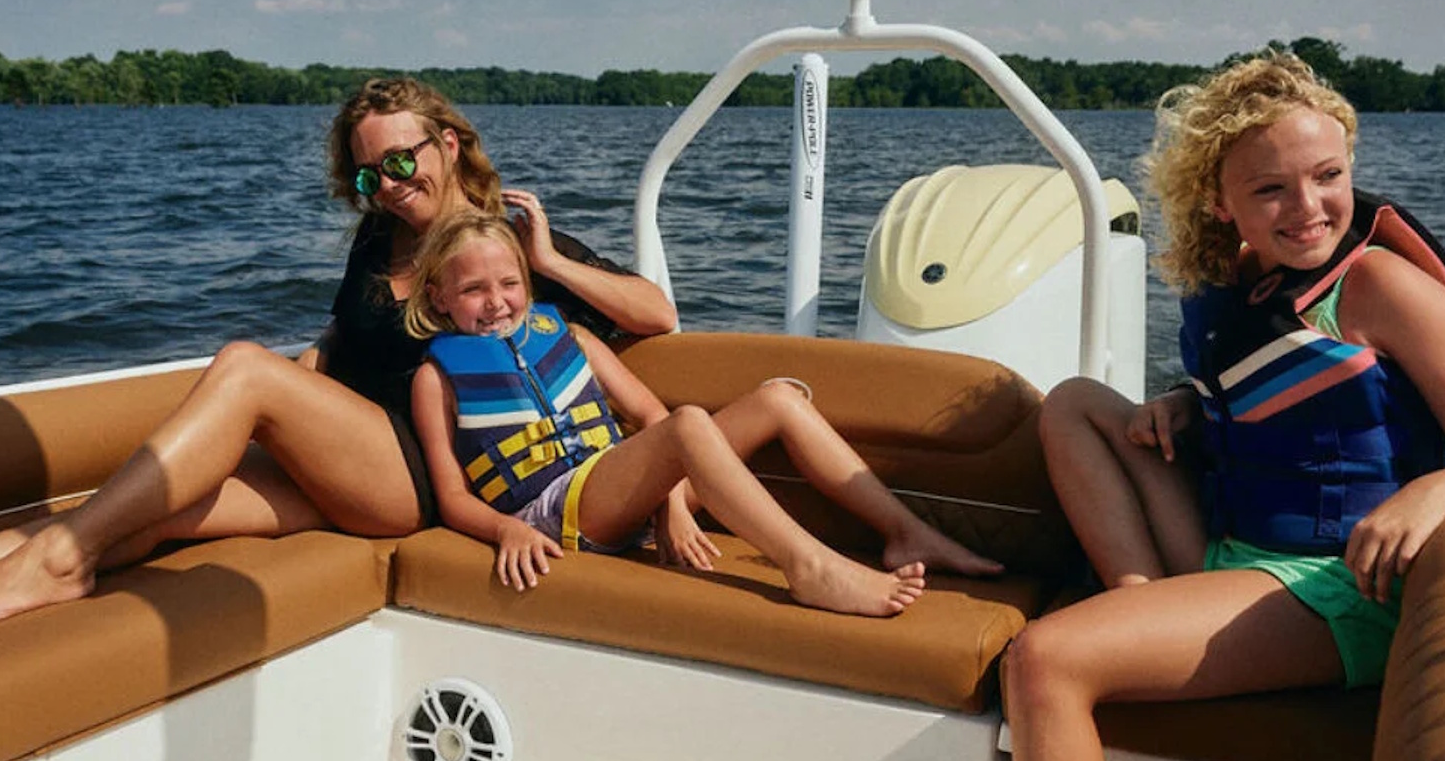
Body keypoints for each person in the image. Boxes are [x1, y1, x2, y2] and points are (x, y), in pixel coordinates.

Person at [1005, 53, 1445, 761]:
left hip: (1336, 589)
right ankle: (1139, 599)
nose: (1308, 207)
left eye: (1328, 177)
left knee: (1044, 661)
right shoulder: (1239, 281)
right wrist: (1185, 405)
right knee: (1074, 404)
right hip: (1233, 548)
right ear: (1221, 203)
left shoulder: (1381, 288)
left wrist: (1433, 495)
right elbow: (1266, 394)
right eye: (1271, 189)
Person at [0, 78, 676, 623]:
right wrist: (267, 421)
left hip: (416, 475)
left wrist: (549, 262)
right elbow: (334, 343)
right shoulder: (379, 237)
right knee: (166, 507)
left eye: (401, 162)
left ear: (448, 145)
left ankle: (58, 562)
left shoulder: (499, 248)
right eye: (369, 175)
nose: (388, 187)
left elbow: (656, 313)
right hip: (343, 453)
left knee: (243, 364)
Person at [406, 213, 1003, 615]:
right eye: (473, 290)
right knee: (690, 423)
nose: (496, 302)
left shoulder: (574, 339)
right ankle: (809, 566)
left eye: (509, 283)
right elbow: (453, 498)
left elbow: (648, 413)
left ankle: (904, 532)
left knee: (778, 399)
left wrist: (668, 502)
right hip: (560, 515)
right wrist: (507, 531)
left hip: (622, 492)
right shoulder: (436, 381)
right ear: (438, 297)